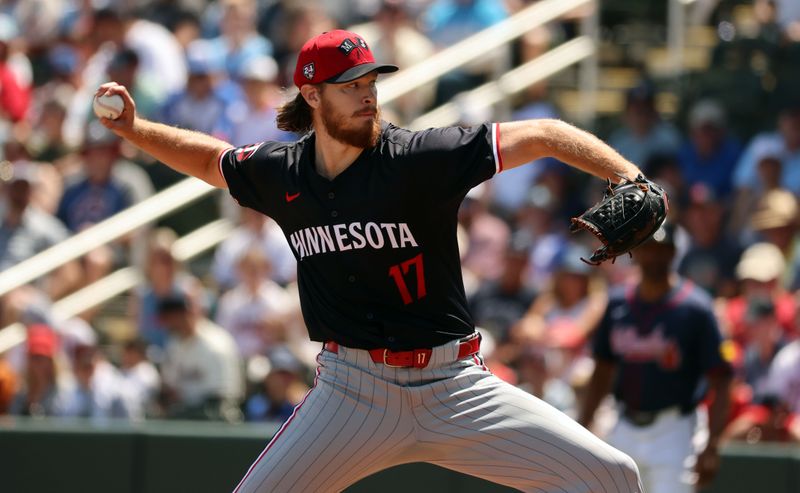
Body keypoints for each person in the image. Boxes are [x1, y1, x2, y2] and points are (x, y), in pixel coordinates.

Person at [97, 29, 646, 492]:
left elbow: (544, 134)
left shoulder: (421, 158)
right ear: (311, 96)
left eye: (369, 83)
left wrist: (628, 177)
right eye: (349, 86)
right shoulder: (283, 173)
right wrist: (134, 131)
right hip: (352, 392)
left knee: (612, 477)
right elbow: (212, 161)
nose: (366, 96)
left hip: (453, 384)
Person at [578, 223, 733, 493]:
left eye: (662, 250)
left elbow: (721, 379)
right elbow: (602, 370)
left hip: (675, 429)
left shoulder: (695, 308)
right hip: (623, 423)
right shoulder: (618, 303)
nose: (654, 257)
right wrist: (584, 425)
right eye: (648, 249)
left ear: (674, 254)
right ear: (636, 253)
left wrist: (712, 444)